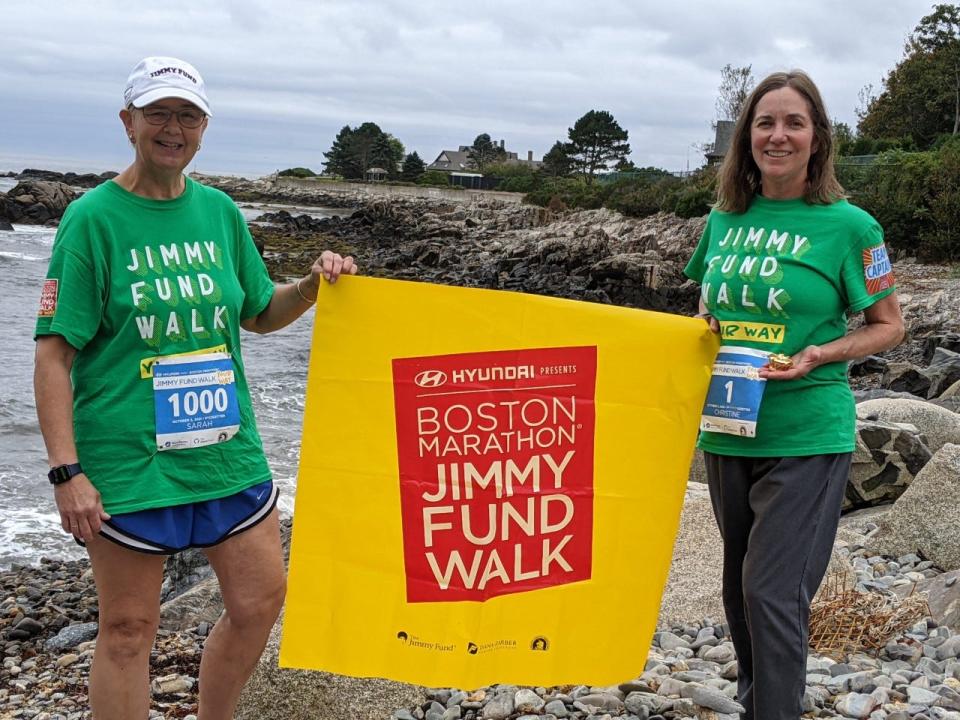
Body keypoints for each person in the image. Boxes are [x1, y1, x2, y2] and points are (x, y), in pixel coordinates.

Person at [33, 56, 356, 720]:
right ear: (129, 122)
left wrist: (314, 286)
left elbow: (260, 311)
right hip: (130, 460)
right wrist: (67, 472)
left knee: (261, 601)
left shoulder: (221, 213)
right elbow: (54, 356)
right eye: (158, 113)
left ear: (204, 128)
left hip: (223, 450)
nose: (172, 128)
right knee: (126, 633)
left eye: (187, 115)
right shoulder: (92, 221)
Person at [683, 70, 904, 720]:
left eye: (794, 123)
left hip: (808, 430)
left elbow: (890, 325)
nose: (778, 135)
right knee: (738, 589)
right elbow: (706, 307)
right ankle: (763, 704)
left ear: (817, 139)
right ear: (747, 137)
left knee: (771, 590)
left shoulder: (854, 228)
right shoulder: (724, 221)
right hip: (728, 424)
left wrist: (818, 353)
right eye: (765, 122)